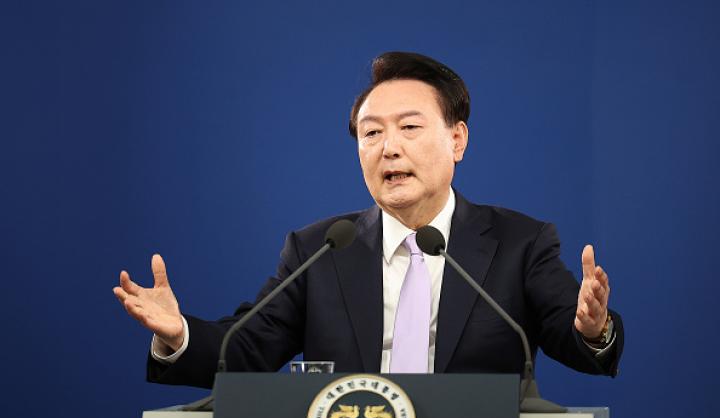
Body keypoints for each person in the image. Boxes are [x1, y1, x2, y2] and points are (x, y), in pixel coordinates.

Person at [113, 52, 623, 389]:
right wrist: (178, 333)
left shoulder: (519, 242)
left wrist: (593, 329)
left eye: (409, 127)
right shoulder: (319, 248)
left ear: (457, 139)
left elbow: (574, 336)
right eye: (371, 133)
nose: (389, 148)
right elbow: (244, 349)